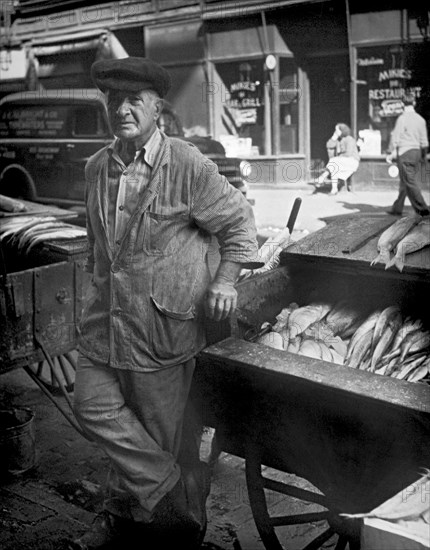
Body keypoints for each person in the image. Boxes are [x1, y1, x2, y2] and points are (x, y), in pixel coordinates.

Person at [70, 57, 261, 550]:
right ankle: (170, 493)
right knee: (92, 406)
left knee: (153, 434)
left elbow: (240, 227)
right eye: (114, 100)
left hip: (160, 328)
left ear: (158, 108)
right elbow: (97, 248)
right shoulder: (96, 168)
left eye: (135, 100)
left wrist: (225, 282)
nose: (123, 109)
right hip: (105, 325)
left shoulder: (186, 164)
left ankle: (142, 526)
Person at [386, 94, 429, 217]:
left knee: (409, 182)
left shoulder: (402, 118)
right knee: (405, 181)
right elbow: (424, 142)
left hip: (405, 153)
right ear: (414, 104)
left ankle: (423, 209)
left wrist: (392, 153)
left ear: (402, 104)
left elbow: (396, 138)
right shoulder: (421, 120)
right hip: (416, 153)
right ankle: (397, 208)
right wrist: (424, 156)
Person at [315, 123, 360, 195]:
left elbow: (348, 153)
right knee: (334, 167)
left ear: (342, 130)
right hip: (341, 162)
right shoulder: (338, 140)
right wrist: (334, 137)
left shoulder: (350, 139)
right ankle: (334, 189)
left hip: (352, 161)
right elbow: (328, 145)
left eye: (337, 130)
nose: (336, 131)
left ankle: (322, 178)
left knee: (333, 161)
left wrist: (338, 157)